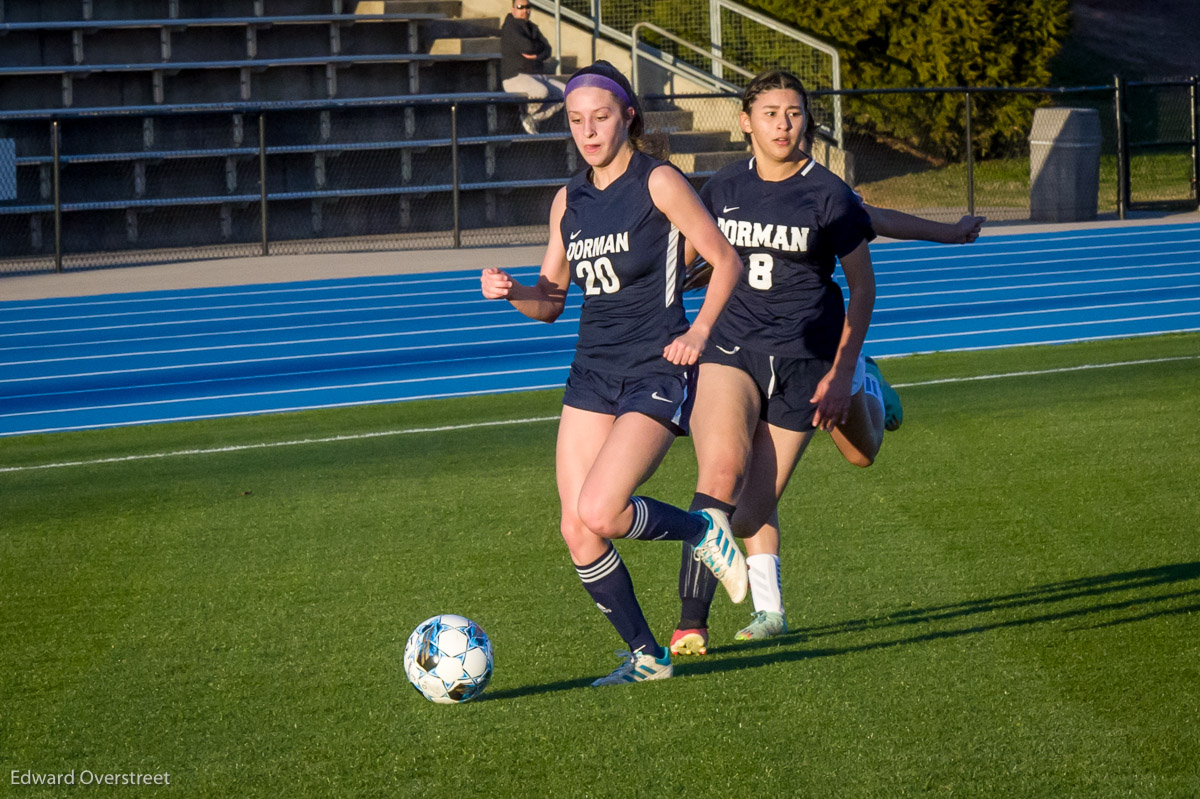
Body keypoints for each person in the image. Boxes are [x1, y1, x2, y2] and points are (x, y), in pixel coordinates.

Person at [667, 70, 984, 657]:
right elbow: (692, 252)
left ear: (807, 121)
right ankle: (695, 623)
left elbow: (866, 263)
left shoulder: (827, 192)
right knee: (719, 481)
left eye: (794, 113)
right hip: (733, 349)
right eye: (770, 112)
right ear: (745, 121)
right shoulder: (721, 186)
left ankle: (863, 379)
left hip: (809, 356)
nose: (783, 123)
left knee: (829, 472)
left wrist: (840, 373)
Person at [480, 61, 746, 686]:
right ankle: (647, 656)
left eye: (601, 117)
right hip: (591, 374)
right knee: (577, 528)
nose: (588, 131)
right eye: (576, 121)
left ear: (627, 115)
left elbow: (724, 261)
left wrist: (698, 332)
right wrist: (515, 288)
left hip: (655, 366)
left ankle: (703, 529)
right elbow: (551, 302)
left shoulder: (658, 182)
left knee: (602, 509)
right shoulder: (567, 201)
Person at [500, 0, 566, 135]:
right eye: (520, 7)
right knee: (541, 92)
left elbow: (548, 49)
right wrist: (537, 47)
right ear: (513, 9)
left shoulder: (532, 27)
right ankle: (525, 113)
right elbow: (528, 47)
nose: (525, 10)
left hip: (537, 75)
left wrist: (536, 56)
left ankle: (533, 118)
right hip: (515, 76)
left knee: (566, 93)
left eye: (528, 7)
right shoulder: (510, 27)